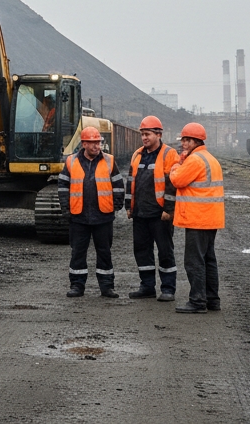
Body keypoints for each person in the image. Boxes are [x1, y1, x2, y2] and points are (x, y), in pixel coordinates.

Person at [60, 126, 125, 298]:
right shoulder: (71, 162)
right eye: (93, 143)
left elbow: (118, 184)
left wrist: (116, 205)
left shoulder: (110, 161)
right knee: (78, 252)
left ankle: (107, 287)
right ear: (84, 144)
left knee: (104, 252)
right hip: (78, 216)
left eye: (98, 143)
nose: (97, 146)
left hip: (103, 217)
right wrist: (66, 208)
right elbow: (63, 186)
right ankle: (77, 286)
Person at [167, 122, 225, 314]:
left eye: (186, 140)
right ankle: (212, 300)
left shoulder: (194, 160)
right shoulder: (210, 159)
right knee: (208, 259)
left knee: (194, 261)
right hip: (210, 217)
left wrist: (176, 164)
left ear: (195, 141)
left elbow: (176, 180)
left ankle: (198, 301)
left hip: (198, 218)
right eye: (182, 140)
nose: (183, 144)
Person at [125, 116, 181, 301]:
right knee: (141, 250)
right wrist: (128, 206)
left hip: (160, 214)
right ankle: (147, 286)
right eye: (142, 134)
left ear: (158, 134)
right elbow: (131, 182)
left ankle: (168, 289)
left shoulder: (169, 154)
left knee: (165, 251)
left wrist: (169, 209)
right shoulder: (137, 154)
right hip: (140, 213)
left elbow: (172, 185)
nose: (144, 138)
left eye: (147, 134)